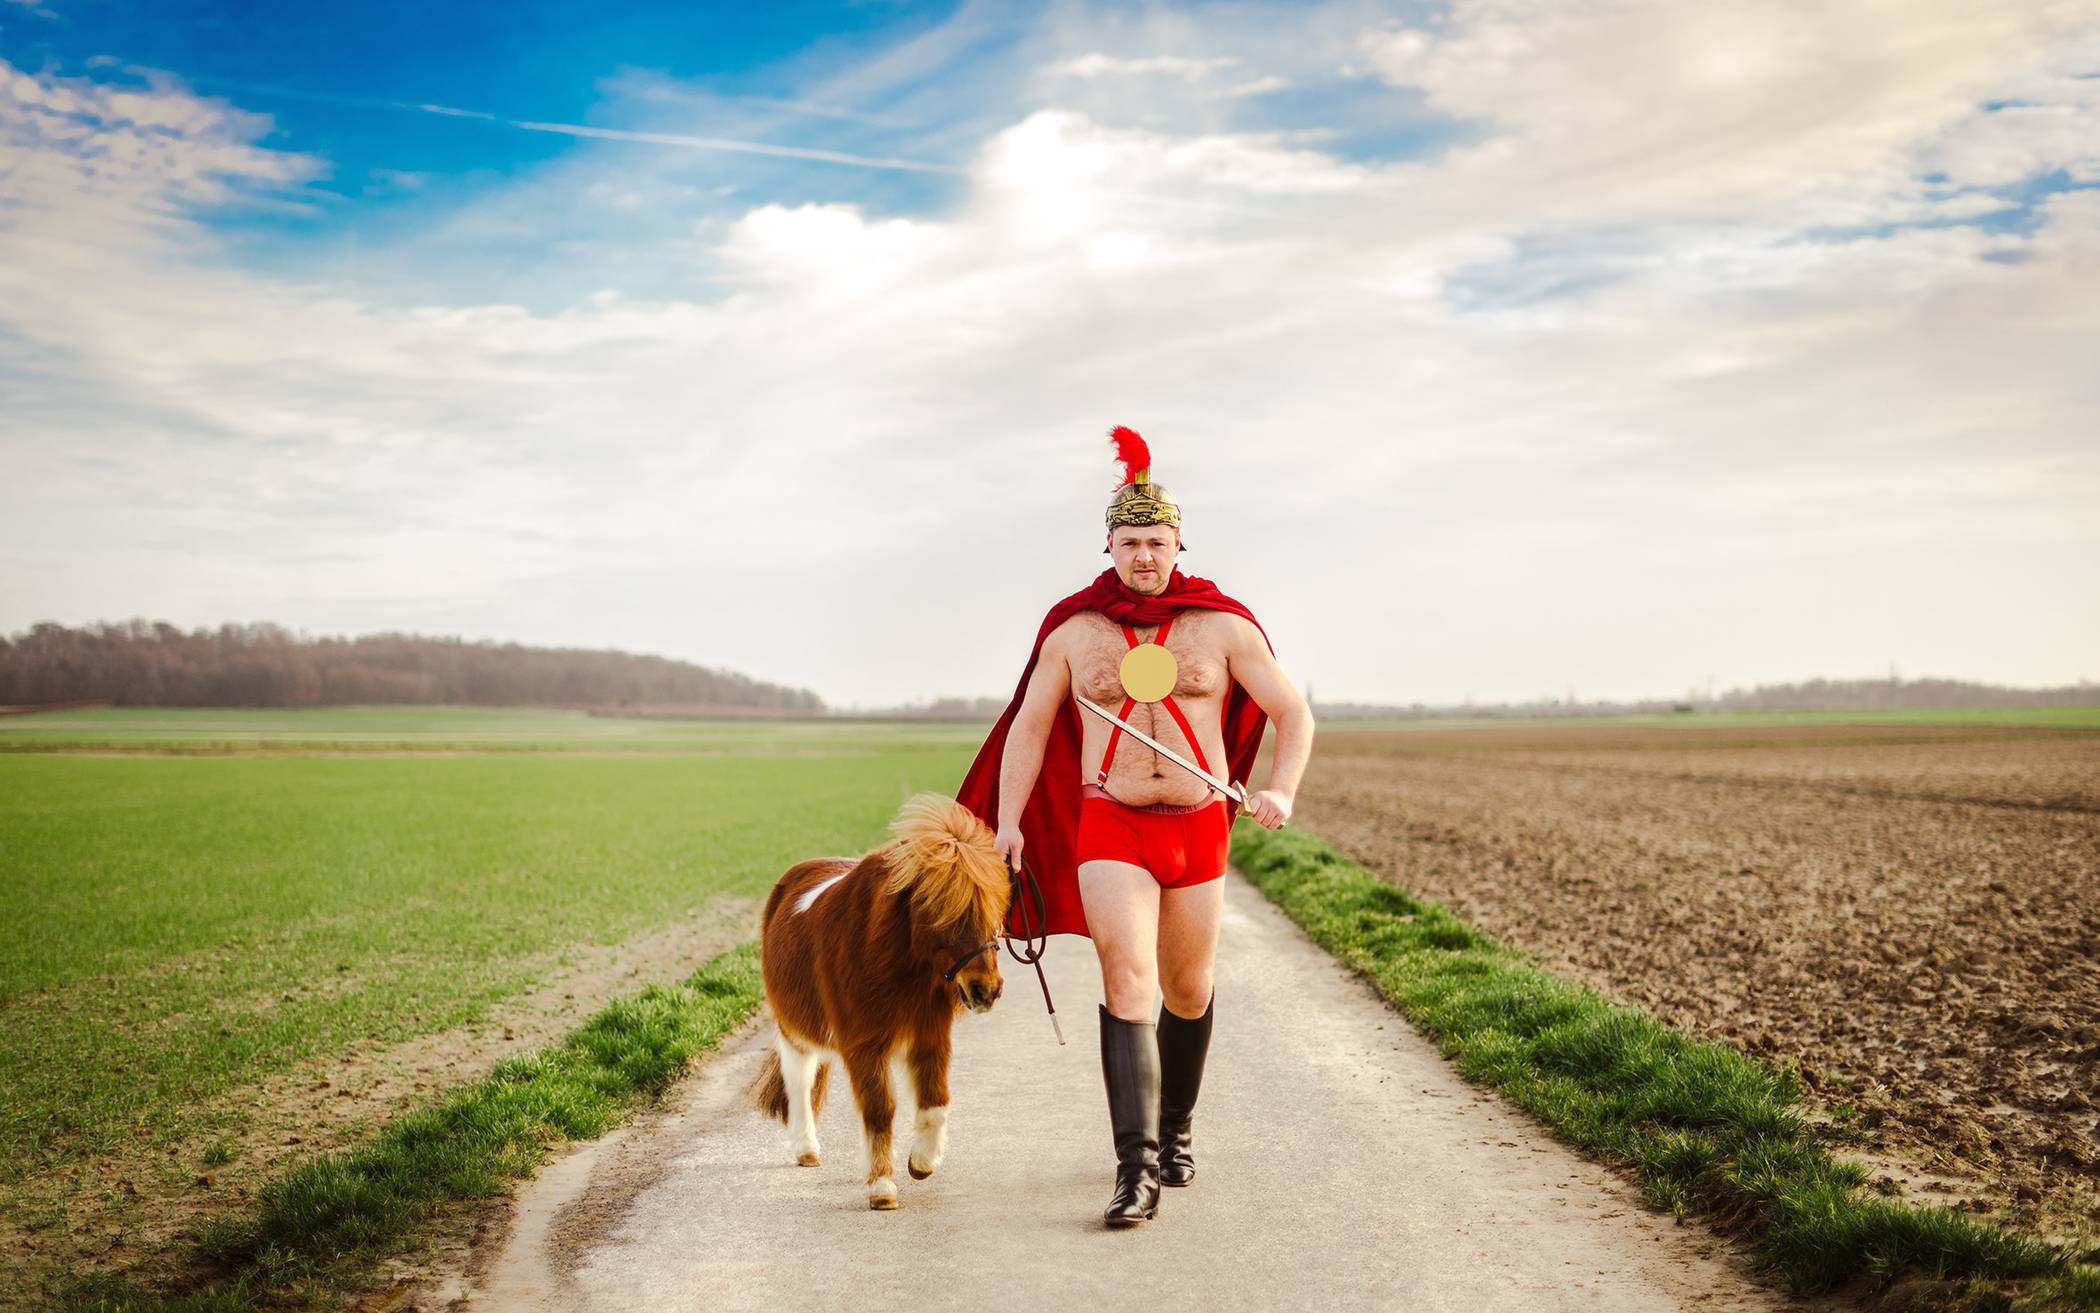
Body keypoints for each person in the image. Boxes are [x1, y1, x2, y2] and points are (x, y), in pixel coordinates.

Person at [956, 426, 1314, 1227]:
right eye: (1129, 542)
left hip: (1198, 828)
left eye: (1156, 541)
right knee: (1128, 981)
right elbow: (1028, 726)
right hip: (1109, 822)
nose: (1144, 556)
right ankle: (1136, 1168)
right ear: (1108, 545)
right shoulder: (1073, 631)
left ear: (1178, 542)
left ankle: (1177, 1129)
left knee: (1187, 989)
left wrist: (1279, 788)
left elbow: (1293, 711)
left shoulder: (1221, 626)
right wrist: (1009, 822)